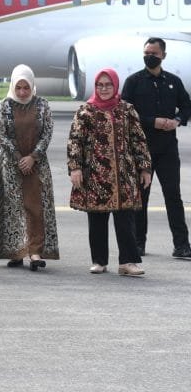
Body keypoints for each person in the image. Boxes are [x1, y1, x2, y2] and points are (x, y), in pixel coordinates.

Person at [67, 68, 152, 276]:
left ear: (115, 86)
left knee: (126, 220)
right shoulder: (85, 111)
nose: (104, 89)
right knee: (97, 219)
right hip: (95, 174)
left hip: (123, 174)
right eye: (100, 85)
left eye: (108, 85)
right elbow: (75, 141)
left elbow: (138, 140)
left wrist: (144, 167)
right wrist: (75, 167)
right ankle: (99, 260)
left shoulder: (127, 110)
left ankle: (128, 262)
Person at [0, 64, 59, 271]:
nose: (23, 92)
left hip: (37, 165)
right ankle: (16, 252)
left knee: (36, 207)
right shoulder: (4, 106)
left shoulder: (42, 105)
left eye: (26, 88)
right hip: (10, 165)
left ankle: (34, 252)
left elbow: (47, 133)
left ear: (32, 86)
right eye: (19, 88)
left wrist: (33, 157)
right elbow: (0, 135)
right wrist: (19, 158)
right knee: (13, 208)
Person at [122, 37, 191, 259]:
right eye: (146, 53)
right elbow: (125, 113)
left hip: (168, 149)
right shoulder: (133, 82)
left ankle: (181, 245)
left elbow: (187, 105)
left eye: (154, 53)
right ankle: (139, 243)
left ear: (163, 56)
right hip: (142, 149)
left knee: (173, 196)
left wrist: (178, 120)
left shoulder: (173, 81)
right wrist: (153, 121)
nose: (149, 57)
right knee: (141, 197)